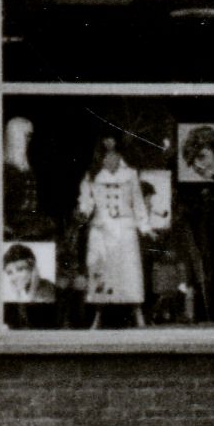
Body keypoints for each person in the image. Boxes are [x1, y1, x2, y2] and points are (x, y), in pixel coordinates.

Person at [78, 137, 149, 326]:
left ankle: (138, 314)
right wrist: (83, 211)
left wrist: (145, 227)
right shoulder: (92, 175)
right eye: (107, 154)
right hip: (101, 228)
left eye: (114, 153)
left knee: (129, 271)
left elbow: (138, 202)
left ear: (120, 154)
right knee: (101, 270)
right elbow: (86, 201)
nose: (111, 158)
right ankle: (98, 316)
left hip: (125, 227)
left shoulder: (130, 174)